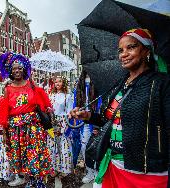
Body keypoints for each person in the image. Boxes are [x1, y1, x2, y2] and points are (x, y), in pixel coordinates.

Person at [69, 28, 170, 188]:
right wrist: (88, 116)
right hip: (114, 164)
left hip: (147, 173)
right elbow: (108, 121)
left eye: (131, 47)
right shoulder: (120, 84)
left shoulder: (161, 83)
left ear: (146, 51)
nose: (123, 54)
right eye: (120, 50)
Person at [0, 52, 53, 188]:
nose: (17, 71)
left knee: (35, 153)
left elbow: (43, 103)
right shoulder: (7, 89)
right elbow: (4, 111)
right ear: (10, 71)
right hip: (15, 129)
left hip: (33, 127)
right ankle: (28, 179)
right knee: (22, 156)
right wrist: (3, 131)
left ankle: (38, 181)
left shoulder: (32, 86)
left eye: (20, 68)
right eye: (14, 69)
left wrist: (48, 109)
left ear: (24, 70)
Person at [48, 76, 74, 186]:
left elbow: (69, 112)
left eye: (60, 81)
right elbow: (47, 109)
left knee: (64, 146)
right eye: (55, 82)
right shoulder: (51, 95)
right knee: (52, 146)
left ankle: (64, 169)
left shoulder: (68, 96)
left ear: (63, 83)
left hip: (63, 122)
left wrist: (64, 128)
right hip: (51, 122)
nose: (57, 83)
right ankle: (53, 168)